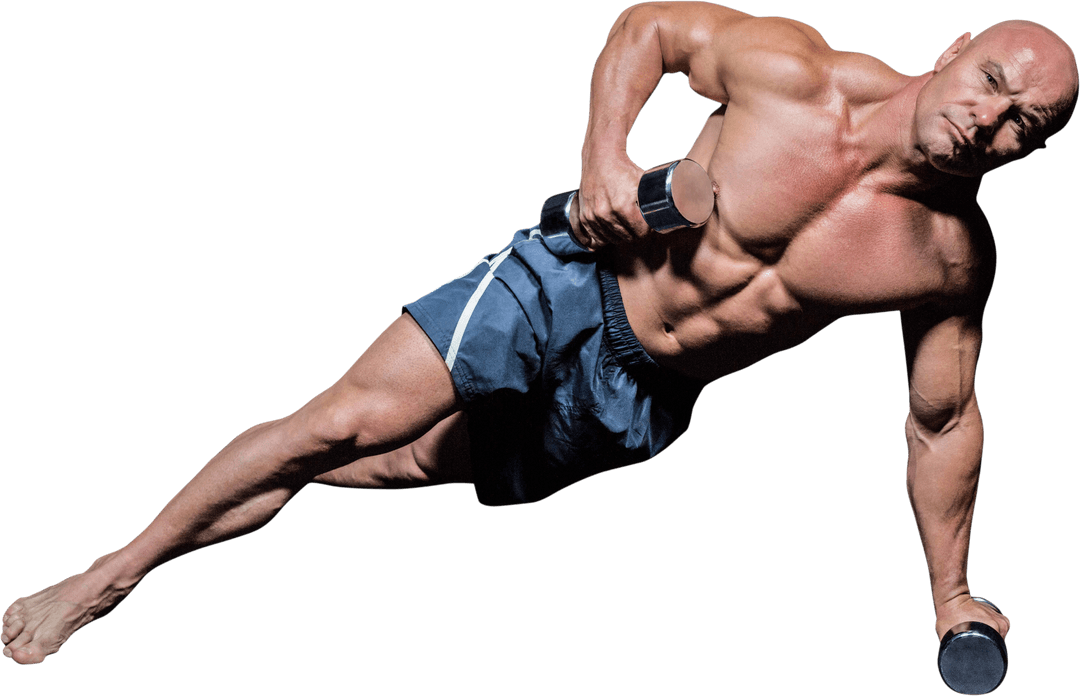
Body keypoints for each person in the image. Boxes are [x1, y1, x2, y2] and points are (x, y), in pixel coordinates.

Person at [3, 1, 1076, 666]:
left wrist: (950, 594)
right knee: (336, 424)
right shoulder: (792, 71)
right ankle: (112, 575)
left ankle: (253, 482)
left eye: (1027, 127)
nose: (991, 123)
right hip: (565, 281)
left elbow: (940, 422)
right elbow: (648, 25)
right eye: (993, 85)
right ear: (957, 48)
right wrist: (609, 159)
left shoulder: (946, 259)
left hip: (642, 393)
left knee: (390, 464)